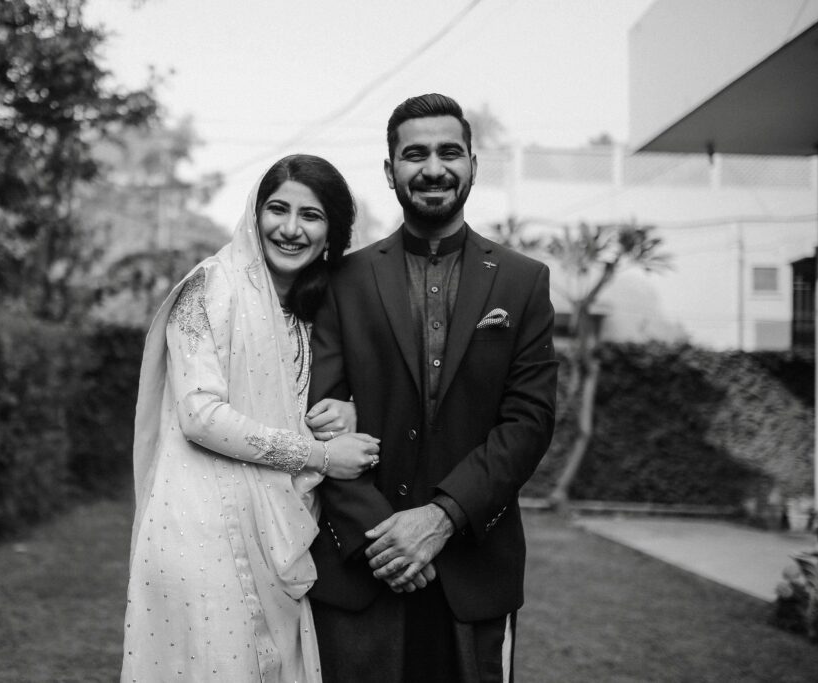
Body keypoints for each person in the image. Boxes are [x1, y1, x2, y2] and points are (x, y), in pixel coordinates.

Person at [305, 94, 559, 683]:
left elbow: (529, 422)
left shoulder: (524, 282)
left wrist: (441, 518)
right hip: (360, 571)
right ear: (390, 170)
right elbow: (315, 418)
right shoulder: (343, 279)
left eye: (449, 152)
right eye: (414, 154)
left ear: (473, 162)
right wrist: (386, 540)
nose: (433, 167)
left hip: (475, 566)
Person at [121, 154, 381, 682]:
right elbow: (201, 415)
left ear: (332, 231)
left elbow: (280, 404)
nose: (290, 229)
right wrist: (322, 456)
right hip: (199, 534)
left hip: (273, 530)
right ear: (254, 213)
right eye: (277, 209)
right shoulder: (211, 287)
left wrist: (344, 409)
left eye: (310, 216)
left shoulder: (310, 309)